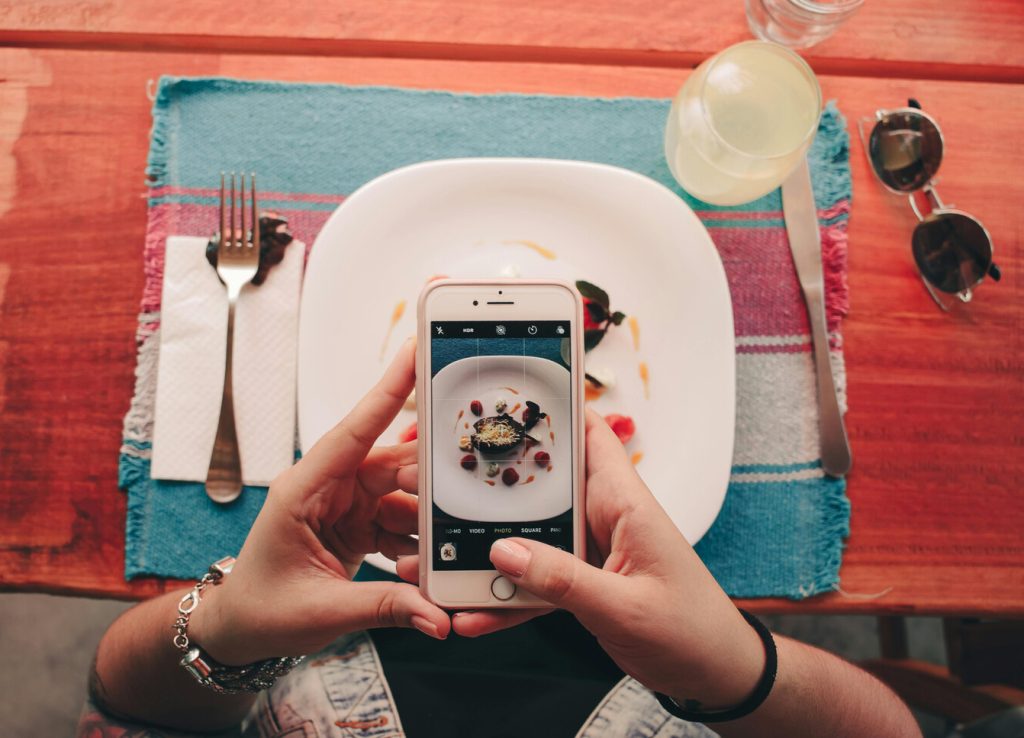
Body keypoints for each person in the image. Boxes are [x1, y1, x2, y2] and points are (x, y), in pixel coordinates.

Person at [80, 340, 921, 737]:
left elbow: (120, 696)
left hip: (337, 628)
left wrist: (229, 629)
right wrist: (735, 669)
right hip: (643, 647)